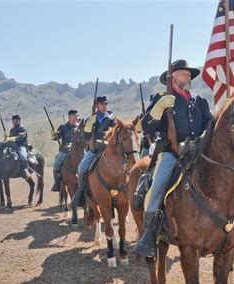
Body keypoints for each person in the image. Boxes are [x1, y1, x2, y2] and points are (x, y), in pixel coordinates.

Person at [133, 59, 213, 258]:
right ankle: (150, 234)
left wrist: (200, 140)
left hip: (197, 153)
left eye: (189, 75)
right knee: (158, 186)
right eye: (183, 74)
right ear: (173, 78)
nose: (188, 77)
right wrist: (158, 109)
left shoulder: (199, 101)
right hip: (172, 154)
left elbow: (211, 126)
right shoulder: (162, 99)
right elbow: (143, 127)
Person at [70, 96, 116, 208]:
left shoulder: (111, 118)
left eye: (106, 104)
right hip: (94, 150)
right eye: (102, 104)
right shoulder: (91, 119)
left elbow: (116, 132)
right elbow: (86, 137)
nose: (104, 106)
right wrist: (89, 125)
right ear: (97, 106)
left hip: (108, 150)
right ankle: (82, 193)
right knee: (81, 168)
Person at [51, 109, 79, 192]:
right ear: (70, 117)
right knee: (56, 164)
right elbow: (55, 138)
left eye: (76, 117)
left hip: (76, 151)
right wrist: (53, 133)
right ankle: (57, 183)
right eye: (74, 117)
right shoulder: (62, 127)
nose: (76, 118)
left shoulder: (78, 127)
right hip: (64, 151)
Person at [5, 114, 30, 179]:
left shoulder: (22, 129)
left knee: (23, 156)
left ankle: (25, 171)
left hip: (21, 146)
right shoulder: (12, 129)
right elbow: (10, 139)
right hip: (12, 146)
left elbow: (20, 138)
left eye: (15, 120)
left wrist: (11, 138)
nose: (13, 122)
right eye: (13, 120)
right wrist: (6, 138)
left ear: (19, 121)